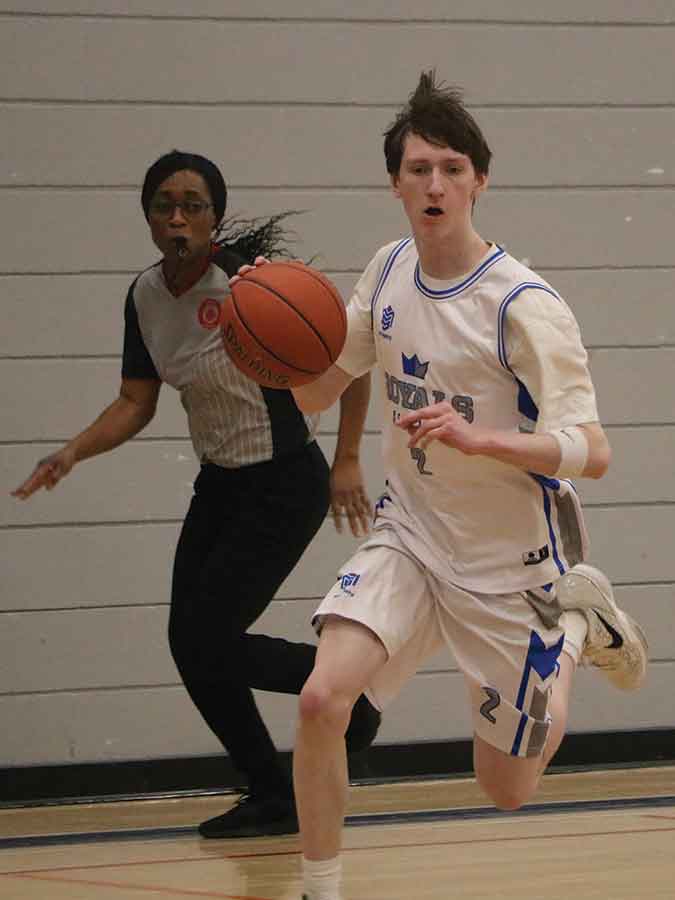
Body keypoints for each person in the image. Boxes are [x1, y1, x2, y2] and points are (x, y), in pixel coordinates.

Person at [280, 72, 649, 900]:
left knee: (503, 790)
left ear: (480, 178)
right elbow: (312, 390)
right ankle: (318, 887)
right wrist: (259, 332)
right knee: (318, 700)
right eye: (417, 169)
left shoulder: (522, 305)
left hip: (510, 565)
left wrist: (481, 436)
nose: (434, 184)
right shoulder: (385, 271)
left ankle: (574, 626)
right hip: (409, 532)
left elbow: (592, 452)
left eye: (451, 167)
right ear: (395, 183)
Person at [11, 150, 381, 840]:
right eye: (164, 205)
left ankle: (346, 699)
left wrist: (348, 460)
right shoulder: (145, 296)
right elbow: (134, 402)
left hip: (283, 481)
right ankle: (271, 791)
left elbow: (352, 360)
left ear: (214, 216)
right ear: (148, 215)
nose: (177, 218)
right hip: (219, 483)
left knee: (208, 637)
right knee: (190, 643)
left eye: (193, 205)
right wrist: (72, 452)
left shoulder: (254, 283)